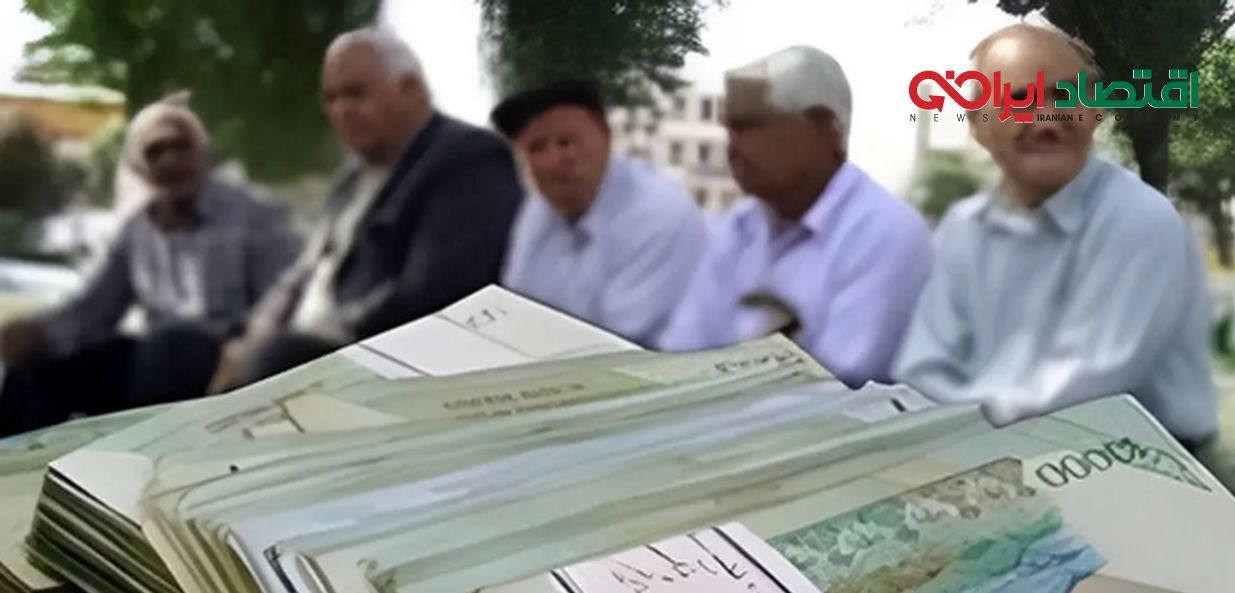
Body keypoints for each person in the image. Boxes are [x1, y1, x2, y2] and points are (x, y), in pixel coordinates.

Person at [892, 24, 1218, 447]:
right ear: (977, 123)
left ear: (1096, 111)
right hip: (994, 443)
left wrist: (946, 420)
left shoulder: (1139, 219)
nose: (1046, 118)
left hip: (1135, 455)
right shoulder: (964, 227)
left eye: (1065, 95)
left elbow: (1087, 386)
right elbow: (923, 365)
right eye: (1019, 99)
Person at [210, 28, 523, 390]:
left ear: (411, 89)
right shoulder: (352, 179)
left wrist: (327, 334)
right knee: (183, 347)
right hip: (302, 346)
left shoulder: (468, 159)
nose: (342, 110)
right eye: (331, 98)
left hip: (380, 360)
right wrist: (252, 334)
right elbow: (304, 271)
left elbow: (432, 293)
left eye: (356, 94)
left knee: (274, 359)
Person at [0, 100, 300, 437]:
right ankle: (13, 458)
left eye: (181, 146)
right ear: (139, 165)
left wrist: (247, 349)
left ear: (203, 154)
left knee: (172, 344)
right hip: (154, 363)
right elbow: (94, 309)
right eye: (155, 151)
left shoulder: (252, 214)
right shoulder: (136, 228)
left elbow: (288, 298)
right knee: (34, 364)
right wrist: (39, 334)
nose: (169, 160)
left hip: (227, 361)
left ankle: (146, 450)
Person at [658, 46, 933, 388]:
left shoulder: (887, 233)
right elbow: (680, 357)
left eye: (751, 126)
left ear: (824, 128)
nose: (733, 147)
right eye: (731, 128)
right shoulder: (736, 228)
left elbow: (837, 387)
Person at [491, 80, 707, 346]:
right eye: (537, 148)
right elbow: (511, 311)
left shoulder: (662, 214)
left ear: (606, 137)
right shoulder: (538, 209)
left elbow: (615, 347)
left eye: (565, 142)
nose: (554, 161)